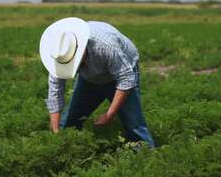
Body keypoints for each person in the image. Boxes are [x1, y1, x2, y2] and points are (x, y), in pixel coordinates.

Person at [39, 17, 155, 148]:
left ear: (81, 49)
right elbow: (55, 92)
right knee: (69, 121)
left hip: (120, 73)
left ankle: (146, 156)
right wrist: (55, 131)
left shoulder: (105, 47)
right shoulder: (59, 54)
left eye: (74, 62)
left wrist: (109, 114)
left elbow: (126, 79)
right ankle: (68, 148)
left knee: (134, 124)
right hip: (89, 79)